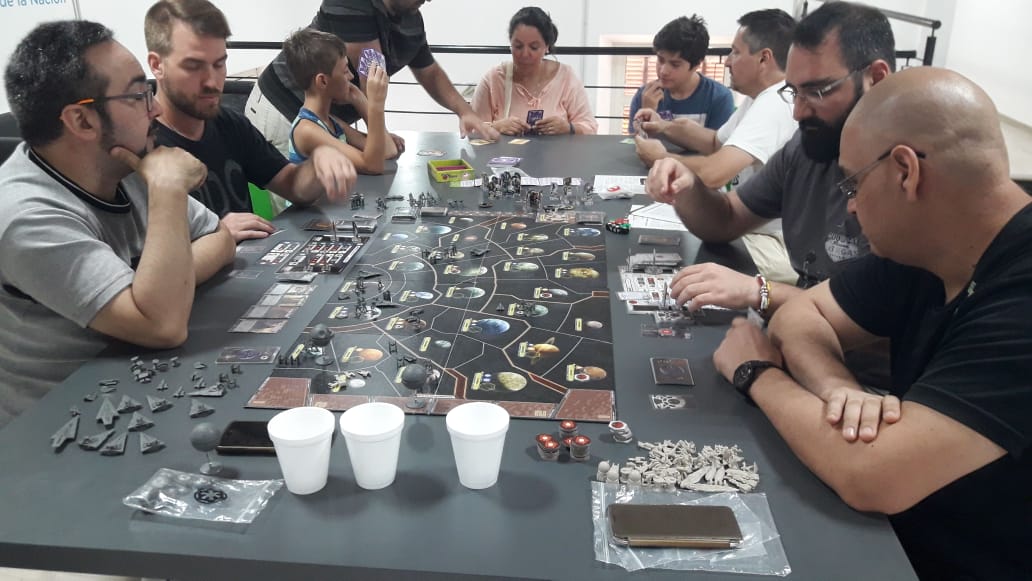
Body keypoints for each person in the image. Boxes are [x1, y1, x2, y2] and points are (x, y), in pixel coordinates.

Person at [712, 67, 1032, 580]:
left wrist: (756, 372)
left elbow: (872, 474)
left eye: (854, 183)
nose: (852, 207)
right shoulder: (931, 246)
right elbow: (802, 313)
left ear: (905, 170)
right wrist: (840, 390)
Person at [0, 20, 235, 430]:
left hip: (142, 384)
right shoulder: (24, 215)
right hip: (65, 425)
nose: (156, 109)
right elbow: (162, 325)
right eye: (138, 95)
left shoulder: (123, 165)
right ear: (82, 121)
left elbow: (220, 237)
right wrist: (167, 189)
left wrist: (156, 286)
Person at [645, 2, 894, 315]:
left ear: (876, 79)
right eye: (794, 92)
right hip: (800, 326)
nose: (797, 112)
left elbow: (871, 318)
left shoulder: (905, 179)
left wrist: (760, 291)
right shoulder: (804, 149)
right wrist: (688, 186)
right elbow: (725, 219)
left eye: (816, 92)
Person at [145, 0, 358, 243]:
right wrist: (216, 234)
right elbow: (142, 261)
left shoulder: (229, 124)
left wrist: (317, 164)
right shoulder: (143, 148)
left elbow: (293, 186)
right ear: (157, 65)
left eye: (219, 64)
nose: (212, 82)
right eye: (194, 66)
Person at [635, 9, 797, 284]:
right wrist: (663, 126)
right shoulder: (759, 98)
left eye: (735, 52)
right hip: (749, 229)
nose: (727, 62)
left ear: (763, 58)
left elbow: (713, 174)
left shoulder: (775, 103)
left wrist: (663, 158)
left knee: (671, 268)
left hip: (771, 242)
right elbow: (714, 141)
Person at [247, 0, 499, 155]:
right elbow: (370, 80)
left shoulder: (411, 19)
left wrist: (465, 112)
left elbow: (429, 71)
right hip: (283, 108)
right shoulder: (350, 4)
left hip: (329, 118)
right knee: (301, 207)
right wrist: (381, 137)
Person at [471, 6, 597, 136]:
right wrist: (496, 127)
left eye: (534, 47)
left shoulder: (566, 77)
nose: (525, 54)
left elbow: (590, 128)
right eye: (518, 46)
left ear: (546, 47)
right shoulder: (493, 80)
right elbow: (471, 130)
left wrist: (569, 128)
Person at [282, 28, 394, 173]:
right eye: (345, 70)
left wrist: (359, 98)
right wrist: (375, 105)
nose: (351, 76)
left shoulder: (331, 122)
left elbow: (388, 150)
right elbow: (373, 165)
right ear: (323, 81)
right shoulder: (307, 130)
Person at [627, 15, 734, 133]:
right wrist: (646, 112)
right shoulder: (645, 96)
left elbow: (719, 143)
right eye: (660, 60)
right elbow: (634, 141)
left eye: (675, 64)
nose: (663, 71)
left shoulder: (719, 97)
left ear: (696, 64)